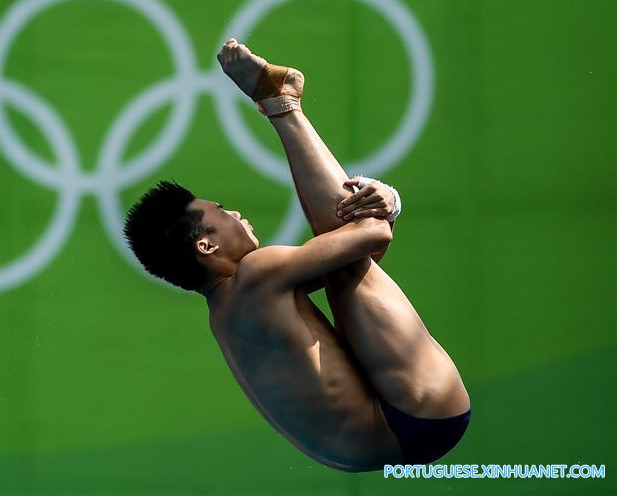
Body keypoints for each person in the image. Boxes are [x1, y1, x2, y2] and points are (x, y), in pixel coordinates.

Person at [122, 38, 470, 471]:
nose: (234, 212)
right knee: (348, 259)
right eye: (219, 212)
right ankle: (282, 106)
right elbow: (373, 234)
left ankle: (279, 99)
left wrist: (375, 220)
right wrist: (389, 200)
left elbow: (362, 245)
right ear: (205, 245)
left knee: (345, 264)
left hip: (374, 449)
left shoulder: (226, 313)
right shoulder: (256, 273)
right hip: (422, 412)